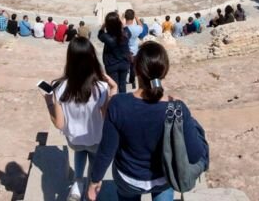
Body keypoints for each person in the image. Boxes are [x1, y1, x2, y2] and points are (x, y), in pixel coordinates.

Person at [86, 42, 208, 201]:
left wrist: (95, 180)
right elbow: (195, 154)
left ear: (136, 69)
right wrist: (189, 120)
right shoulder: (177, 108)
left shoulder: (118, 104)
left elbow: (106, 150)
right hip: (163, 178)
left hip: (127, 179)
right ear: (165, 71)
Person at [42, 37, 118, 201]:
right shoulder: (101, 88)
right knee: (93, 162)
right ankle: (89, 191)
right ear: (92, 58)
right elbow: (106, 117)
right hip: (95, 138)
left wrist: (49, 102)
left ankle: (77, 183)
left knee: (79, 151)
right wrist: (114, 90)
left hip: (74, 139)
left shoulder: (59, 87)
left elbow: (60, 124)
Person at [98, 12, 132, 94]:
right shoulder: (126, 33)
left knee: (114, 87)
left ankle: (114, 104)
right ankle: (123, 104)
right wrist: (120, 22)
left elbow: (100, 34)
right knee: (122, 85)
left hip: (111, 64)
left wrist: (104, 25)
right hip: (124, 62)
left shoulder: (106, 37)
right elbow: (126, 29)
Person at [124, 9, 143, 87]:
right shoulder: (137, 28)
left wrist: (122, 18)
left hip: (125, 51)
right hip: (134, 51)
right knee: (132, 67)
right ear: (133, 17)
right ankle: (132, 81)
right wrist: (136, 17)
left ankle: (124, 80)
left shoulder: (123, 28)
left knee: (125, 67)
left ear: (125, 17)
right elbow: (141, 26)